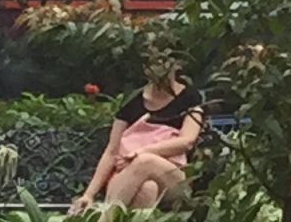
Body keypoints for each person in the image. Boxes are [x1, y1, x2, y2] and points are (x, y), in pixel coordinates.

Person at [73, 47, 206, 212]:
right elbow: (112, 151)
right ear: (145, 68)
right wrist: (89, 194)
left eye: (165, 61)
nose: (160, 68)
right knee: (147, 189)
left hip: (171, 175)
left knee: (145, 161)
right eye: (154, 63)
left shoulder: (190, 97)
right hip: (126, 173)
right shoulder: (132, 101)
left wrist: (140, 153)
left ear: (177, 65)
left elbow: (187, 141)